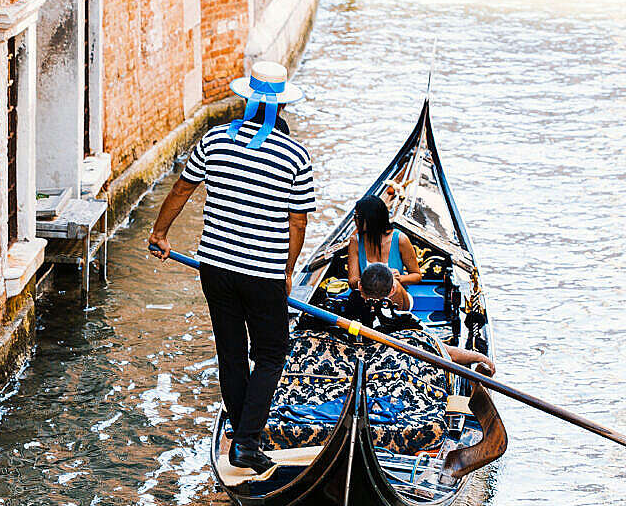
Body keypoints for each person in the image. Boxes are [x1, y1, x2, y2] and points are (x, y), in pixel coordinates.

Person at [148, 61, 313, 474]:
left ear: (246, 99)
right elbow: (298, 222)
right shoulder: (296, 155)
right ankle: (247, 442)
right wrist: (288, 269)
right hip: (263, 272)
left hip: (215, 266)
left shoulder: (214, 140)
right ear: (281, 106)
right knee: (273, 354)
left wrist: (160, 234)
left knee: (232, 352)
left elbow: (182, 188)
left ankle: (241, 434)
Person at [348, 263, 496, 376]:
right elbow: (447, 353)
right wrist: (479, 356)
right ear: (393, 290)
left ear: (359, 286)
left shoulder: (340, 314)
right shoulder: (407, 321)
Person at [347, 195, 422, 310]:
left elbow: (417, 276)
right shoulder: (355, 241)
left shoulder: (400, 239)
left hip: (397, 299)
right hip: (367, 300)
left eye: (357, 216)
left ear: (370, 219)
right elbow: (353, 282)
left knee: (394, 284)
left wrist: (399, 278)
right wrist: (370, 282)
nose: (354, 220)